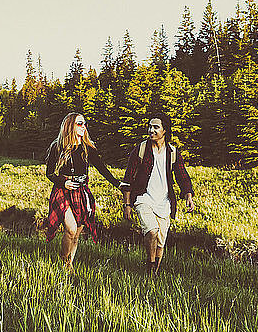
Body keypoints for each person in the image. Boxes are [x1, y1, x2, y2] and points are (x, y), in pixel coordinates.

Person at [45, 112, 121, 272]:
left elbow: (102, 168)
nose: (84, 127)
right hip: (62, 191)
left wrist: (118, 184)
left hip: (81, 191)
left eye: (84, 124)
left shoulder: (87, 147)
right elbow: (50, 173)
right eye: (80, 124)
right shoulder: (57, 146)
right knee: (71, 229)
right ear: (69, 125)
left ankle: (69, 264)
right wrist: (63, 182)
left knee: (77, 233)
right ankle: (65, 263)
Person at [122, 113, 195, 277]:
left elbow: (182, 176)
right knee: (152, 232)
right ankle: (150, 267)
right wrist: (127, 205)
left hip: (164, 202)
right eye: (150, 126)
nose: (151, 130)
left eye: (156, 127)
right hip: (143, 198)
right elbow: (128, 179)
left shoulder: (172, 152)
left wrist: (188, 196)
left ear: (165, 130)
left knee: (161, 243)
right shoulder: (141, 149)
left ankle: (154, 274)